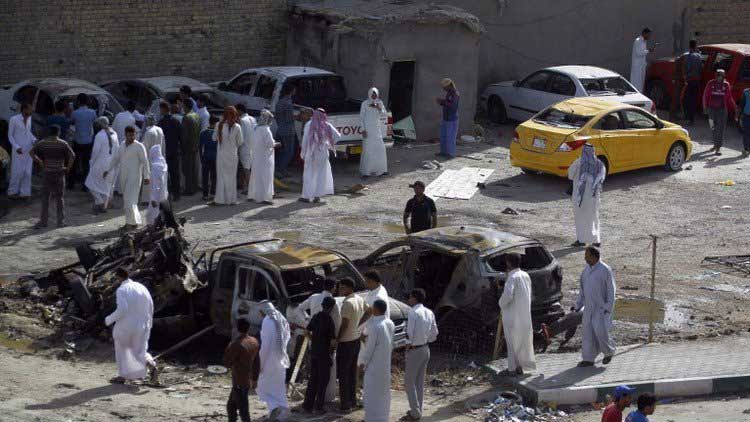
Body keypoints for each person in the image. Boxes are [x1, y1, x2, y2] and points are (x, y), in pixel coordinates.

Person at [292, 278, 341, 403]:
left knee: (314, 374)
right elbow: (337, 326)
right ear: (333, 287)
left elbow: (299, 309)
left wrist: (307, 322)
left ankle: (309, 403)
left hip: (314, 342)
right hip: (326, 345)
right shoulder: (334, 306)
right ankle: (324, 401)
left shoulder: (314, 301)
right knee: (325, 375)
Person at [104, 268, 157, 383]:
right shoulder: (142, 287)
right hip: (143, 324)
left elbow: (122, 309)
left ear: (118, 278)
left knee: (123, 349)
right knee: (140, 350)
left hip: (126, 326)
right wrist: (149, 324)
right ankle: (150, 365)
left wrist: (108, 319)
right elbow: (151, 306)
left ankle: (122, 376)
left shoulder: (122, 290)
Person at [575, 246, 616, 367]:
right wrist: (578, 305)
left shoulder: (605, 270)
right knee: (587, 333)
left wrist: (608, 307)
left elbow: (611, 290)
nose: (585, 259)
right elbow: (582, 289)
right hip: (588, 307)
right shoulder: (586, 270)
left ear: (594, 256)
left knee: (601, 332)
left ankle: (609, 352)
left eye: (587, 256)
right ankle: (588, 359)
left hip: (601, 308)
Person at [29, 125, 75, 228]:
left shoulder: (42, 143)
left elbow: (31, 153)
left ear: (49, 132)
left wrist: (40, 161)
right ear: (58, 133)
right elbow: (73, 155)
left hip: (47, 173)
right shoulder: (63, 143)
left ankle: (43, 221)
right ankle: (60, 222)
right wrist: (68, 168)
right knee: (60, 198)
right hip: (59, 172)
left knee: (45, 197)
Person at [104, 126, 150, 230]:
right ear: (126, 135)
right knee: (127, 200)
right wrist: (108, 170)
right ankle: (132, 222)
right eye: (130, 135)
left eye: (134, 135)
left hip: (135, 177)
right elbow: (115, 159)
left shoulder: (139, 146)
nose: (132, 137)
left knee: (130, 201)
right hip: (124, 177)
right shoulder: (122, 145)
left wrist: (147, 176)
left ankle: (131, 224)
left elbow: (145, 162)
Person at [498, 253, 536, 376]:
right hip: (524, 314)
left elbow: (508, 295)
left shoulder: (512, 277)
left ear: (508, 263)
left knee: (512, 341)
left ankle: (513, 368)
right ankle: (522, 366)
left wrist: (500, 303)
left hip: (512, 315)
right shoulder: (525, 275)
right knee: (523, 340)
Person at [403, 288, 438, 421]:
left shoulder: (413, 312)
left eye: (410, 297)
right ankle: (417, 410)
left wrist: (407, 349)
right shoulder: (429, 312)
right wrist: (425, 339)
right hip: (425, 349)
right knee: (419, 382)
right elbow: (434, 333)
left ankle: (415, 412)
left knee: (408, 382)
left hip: (415, 349)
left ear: (414, 298)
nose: (408, 299)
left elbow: (409, 334)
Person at [358, 299, 395, 422]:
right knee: (383, 393)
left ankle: (371, 418)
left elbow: (369, 350)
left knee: (371, 393)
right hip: (384, 364)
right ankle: (382, 418)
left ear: (376, 309)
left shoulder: (375, 326)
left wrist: (362, 365)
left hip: (374, 366)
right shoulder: (390, 323)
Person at [257, 302, 291, 421]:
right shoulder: (281, 317)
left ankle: (274, 406)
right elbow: (287, 337)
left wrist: (260, 363)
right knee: (278, 387)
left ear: (263, 311)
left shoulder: (267, 321)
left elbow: (265, 345)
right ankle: (282, 413)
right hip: (281, 357)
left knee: (261, 386)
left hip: (269, 359)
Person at [303, 296, 337, 414]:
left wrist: (314, 340)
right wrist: (332, 351)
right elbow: (333, 341)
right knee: (323, 381)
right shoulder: (329, 320)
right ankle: (319, 407)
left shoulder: (316, 317)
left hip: (314, 353)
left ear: (322, 305)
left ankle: (307, 406)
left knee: (313, 379)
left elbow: (306, 332)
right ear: (331, 308)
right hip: (324, 354)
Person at [336, 278, 366, 412]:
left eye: (342, 287)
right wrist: (359, 325)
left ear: (348, 288)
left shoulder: (348, 303)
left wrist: (337, 339)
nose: (340, 290)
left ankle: (345, 405)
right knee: (351, 373)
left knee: (343, 374)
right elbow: (369, 311)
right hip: (355, 340)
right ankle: (352, 401)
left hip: (346, 342)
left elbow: (345, 324)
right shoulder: (359, 299)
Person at [568, 144, 605, 247]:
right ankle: (596, 241)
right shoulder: (600, 165)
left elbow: (570, 175)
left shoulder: (578, 163)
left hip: (580, 199)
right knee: (594, 219)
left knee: (580, 219)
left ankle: (581, 240)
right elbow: (602, 179)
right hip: (594, 198)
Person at [223, 318, 260, 422]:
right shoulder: (254, 341)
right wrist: (255, 379)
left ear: (237, 328)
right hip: (247, 380)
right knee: (231, 406)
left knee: (243, 411)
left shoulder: (236, 344)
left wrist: (229, 347)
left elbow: (227, 363)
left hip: (239, 381)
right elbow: (257, 362)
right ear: (249, 328)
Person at [300, 109, 340, 203]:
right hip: (322, 152)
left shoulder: (309, 124)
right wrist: (328, 144)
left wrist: (303, 152)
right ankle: (317, 196)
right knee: (320, 174)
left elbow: (305, 140)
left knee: (309, 174)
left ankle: (306, 196)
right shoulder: (327, 124)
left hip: (311, 153)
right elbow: (338, 136)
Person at [85, 116, 119, 214]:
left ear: (100, 125)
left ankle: (99, 201)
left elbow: (95, 151)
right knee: (106, 186)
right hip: (111, 164)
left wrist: (92, 161)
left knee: (89, 182)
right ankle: (103, 206)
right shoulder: (115, 134)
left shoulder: (99, 135)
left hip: (100, 163)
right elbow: (116, 149)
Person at [213, 106, 244, 205]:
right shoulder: (237, 127)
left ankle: (220, 199)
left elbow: (214, 138)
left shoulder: (219, 125)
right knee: (231, 178)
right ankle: (231, 199)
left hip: (222, 156)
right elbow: (240, 142)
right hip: (232, 156)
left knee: (221, 177)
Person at [703, 69, 736, 156]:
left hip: (722, 110)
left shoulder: (726, 85)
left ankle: (718, 147)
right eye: (718, 75)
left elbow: (729, 98)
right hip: (711, 109)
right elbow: (705, 95)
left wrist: (735, 107)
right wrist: (705, 107)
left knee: (720, 129)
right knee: (713, 127)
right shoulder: (710, 83)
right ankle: (715, 144)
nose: (719, 77)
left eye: (721, 76)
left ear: (723, 76)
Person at [248, 109, 278, 204]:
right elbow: (270, 144)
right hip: (265, 157)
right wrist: (276, 144)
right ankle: (264, 197)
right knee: (266, 176)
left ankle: (253, 195)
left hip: (256, 155)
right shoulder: (266, 129)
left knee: (256, 175)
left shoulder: (256, 128)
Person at [7, 103, 36, 199]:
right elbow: (10, 136)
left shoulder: (30, 119)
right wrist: (16, 147)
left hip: (29, 149)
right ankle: (12, 192)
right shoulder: (14, 119)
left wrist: (34, 140)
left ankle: (25, 193)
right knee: (17, 171)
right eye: (30, 109)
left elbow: (29, 133)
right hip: (18, 149)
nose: (32, 111)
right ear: (24, 109)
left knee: (27, 172)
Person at [70, 93, 97, 190]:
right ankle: (85, 185)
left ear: (78, 102)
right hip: (88, 141)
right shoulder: (92, 112)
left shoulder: (75, 113)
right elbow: (95, 122)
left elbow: (71, 122)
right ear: (88, 101)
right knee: (86, 163)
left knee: (74, 162)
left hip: (77, 140)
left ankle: (71, 184)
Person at [360, 87, 388, 178]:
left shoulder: (379, 102)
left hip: (377, 130)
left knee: (380, 148)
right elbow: (361, 117)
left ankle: (381, 170)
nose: (374, 95)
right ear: (369, 94)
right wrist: (363, 130)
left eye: (375, 94)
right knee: (368, 150)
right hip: (367, 130)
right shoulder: (365, 103)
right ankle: (366, 172)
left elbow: (384, 114)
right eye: (372, 94)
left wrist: (377, 107)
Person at [158, 101, 182, 201]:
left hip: (165, 152)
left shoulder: (161, 123)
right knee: (175, 173)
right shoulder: (176, 121)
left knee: (165, 174)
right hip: (175, 151)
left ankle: (166, 194)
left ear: (163, 109)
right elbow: (181, 136)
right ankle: (177, 194)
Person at [275, 84, 297, 178]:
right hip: (288, 131)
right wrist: (299, 116)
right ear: (292, 91)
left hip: (280, 129)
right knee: (289, 152)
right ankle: (281, 170)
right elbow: (289, 118)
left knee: (281, 151)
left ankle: (279, 169)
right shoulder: (288, 103)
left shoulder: (279, 102)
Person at [181, 101, 202, 196]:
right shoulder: (196, 115)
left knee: (187, 168)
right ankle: (194, 187)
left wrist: (182, 146)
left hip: (188, 147)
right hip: (196, 145)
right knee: (194, 168)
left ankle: (189, 189)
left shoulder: (186, 117)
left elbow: (185, 135)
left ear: (185, 106)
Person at [436, 79, 459, 158]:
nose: (443, 89)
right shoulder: (449, 93)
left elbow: (453, 106)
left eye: (444, 87)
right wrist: (442, 101)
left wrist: (442, 102)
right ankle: (443, 152)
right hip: (445, 118)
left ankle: (451, 154)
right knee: (443, 136)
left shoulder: (455, 94)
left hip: (452, 119)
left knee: (450, 138)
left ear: (449, 86)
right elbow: (447, 102)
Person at [145, 145, 168, 225]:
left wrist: (153, 198)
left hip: (156, 195)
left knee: (152, 215)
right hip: (164, 194)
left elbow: (155, 184)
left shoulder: (155, 167)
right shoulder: (164, 164)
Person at [237, 103, 255, 195]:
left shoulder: (242, 120)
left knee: (246, 169)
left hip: (245, 147)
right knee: (249, 167)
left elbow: (241, 136)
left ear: (240, 110)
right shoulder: (252, 118)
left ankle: (249, 189)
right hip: (253, 146)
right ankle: (246, 186)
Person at [682, 39, 702, 125]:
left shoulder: (686, 56)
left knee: (686, 99)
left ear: (689, 46)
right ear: (696, 46)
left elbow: (685, 68)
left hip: (688, 80)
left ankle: (687, 117)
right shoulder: (699, 56)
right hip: (696, 80)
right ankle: (691, 118)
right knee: (693, 100)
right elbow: (700, 68)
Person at [200, 115, 219, 201]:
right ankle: (212, 193)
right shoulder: (218, 133)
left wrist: (201, 157)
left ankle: (205, 194)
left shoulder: (203, 132)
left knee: (205, 176)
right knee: (214, 176)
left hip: (205, 156)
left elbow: (200, 146)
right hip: (215, 157)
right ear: (215, 123)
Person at [630, 28, 654, 92]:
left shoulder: (644, 41)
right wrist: (648, 50)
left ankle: (640, 95)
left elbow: (643, 54)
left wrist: (645, 63)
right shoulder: (638, 41)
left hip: (642, 65)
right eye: (648, 34)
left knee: (641, 83)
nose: (649, 36)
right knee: (636, 83)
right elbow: (639, 53)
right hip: (637, 67)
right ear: (644, 33)